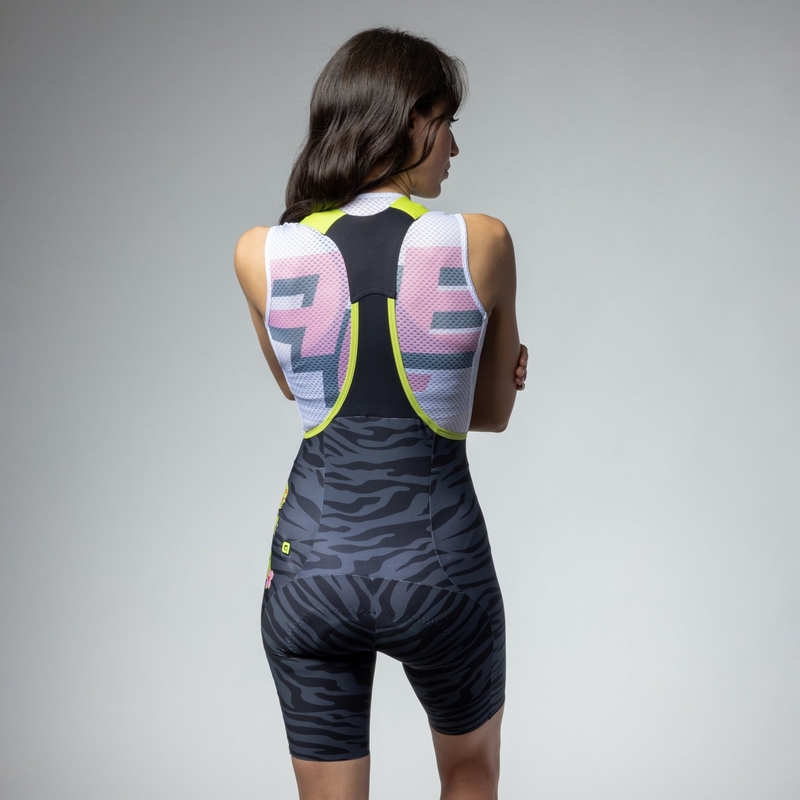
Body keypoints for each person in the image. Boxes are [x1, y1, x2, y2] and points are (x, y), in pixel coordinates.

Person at [234, 27, 527, 800]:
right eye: (446, 122)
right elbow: (490, 413)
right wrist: (497, 369)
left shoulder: (261, 253)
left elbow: (300, 390)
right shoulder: (481, 242)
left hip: (310, 568)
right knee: (470, 773)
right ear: (409, 118)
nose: (454, 147)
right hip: (437, 565)